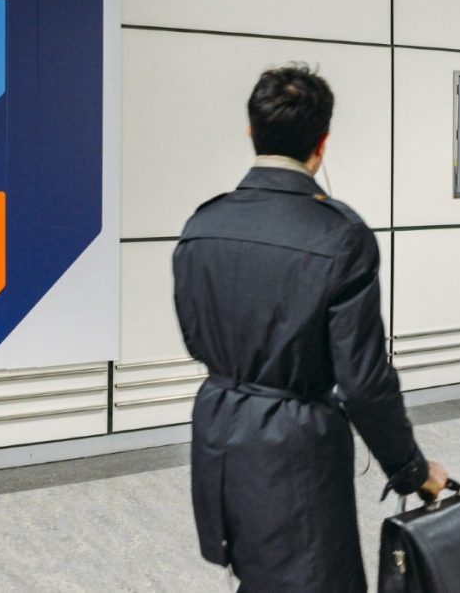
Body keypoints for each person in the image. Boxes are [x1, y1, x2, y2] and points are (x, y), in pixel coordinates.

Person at [172, 64, 446, 592]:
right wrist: (411, 470)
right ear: (322, 143)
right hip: (295, 445)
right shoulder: (341, 236)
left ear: (252, 133)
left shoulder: (201, 225)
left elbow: (194, 336)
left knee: (255, 574)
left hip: (218, 431)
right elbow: (364, 383)